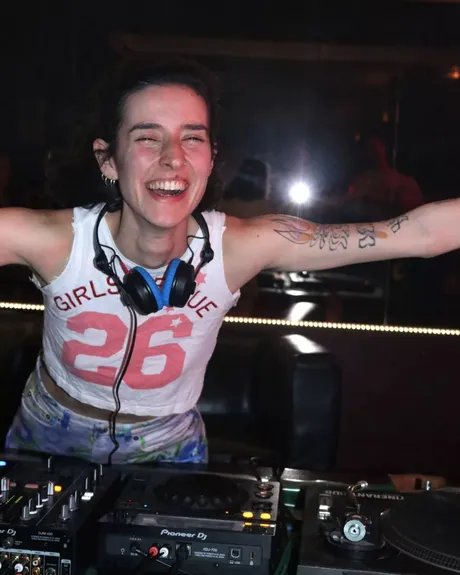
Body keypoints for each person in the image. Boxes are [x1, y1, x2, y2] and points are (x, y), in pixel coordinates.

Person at [1, 58, 460, 466]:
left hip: (170, 450)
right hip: (45, 440)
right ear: (109, 160)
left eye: (192, 139)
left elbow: (418, 234)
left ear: (210, 159)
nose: (173, 158)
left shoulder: (239, 247)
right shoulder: (55, 241)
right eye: (148, 138)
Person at [344, 134, 425, 222]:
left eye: (374, 146)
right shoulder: (361, 181)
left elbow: (417, 216)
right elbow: (347, 206)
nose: (372, 151)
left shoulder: (406, 182)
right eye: (369, 148)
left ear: (383, 148)